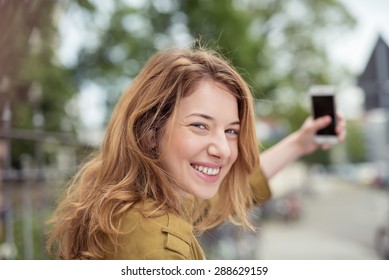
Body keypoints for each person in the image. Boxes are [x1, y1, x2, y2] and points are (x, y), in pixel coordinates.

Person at [46, 46, 346, 260]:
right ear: (151, 133)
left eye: (231, 130)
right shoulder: (157, 250)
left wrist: (300, 143)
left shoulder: (141, 203)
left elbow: (236, 190)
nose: (223, 150)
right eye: (200, 126)